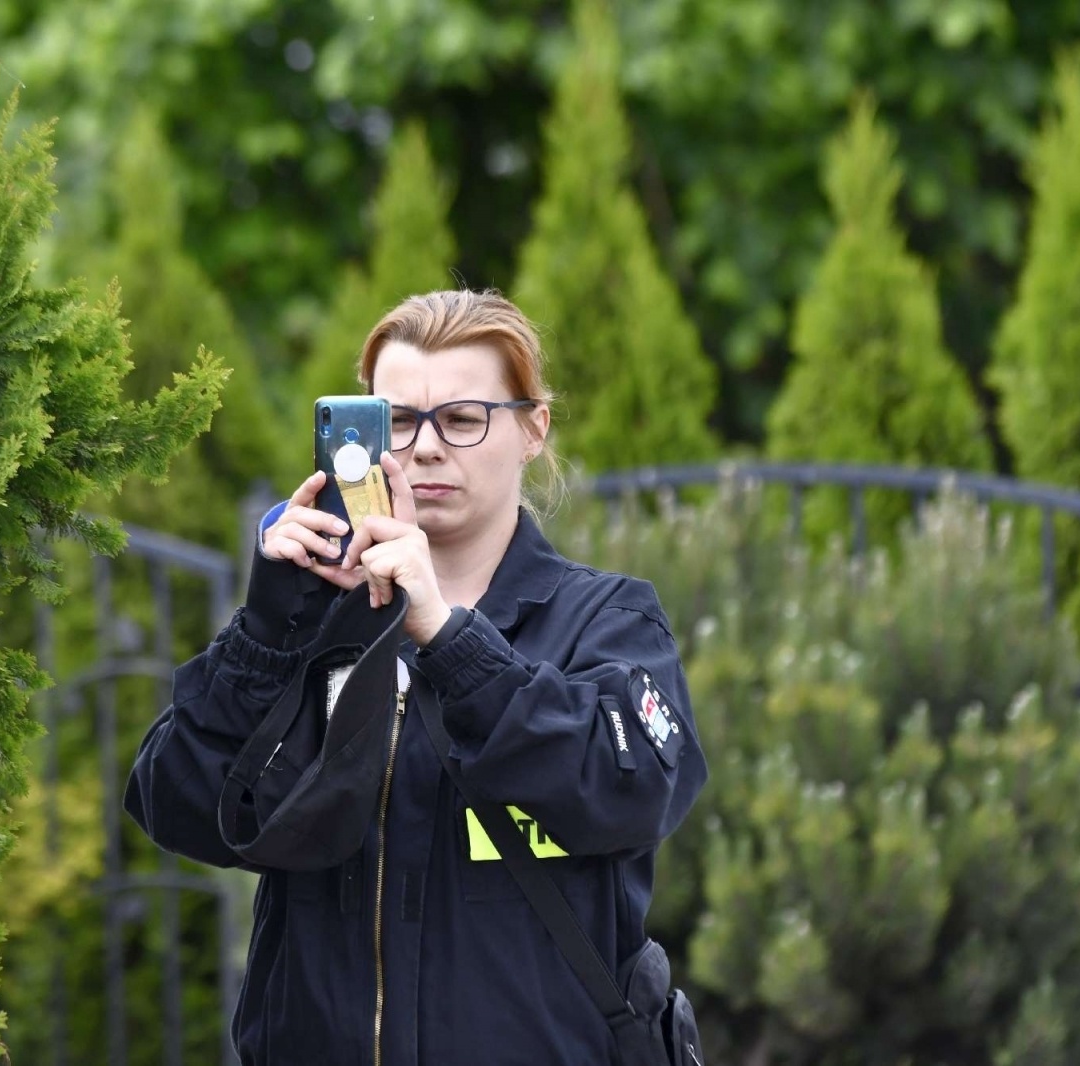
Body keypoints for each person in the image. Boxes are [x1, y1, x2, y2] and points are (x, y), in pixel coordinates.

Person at [124, 289, 707, 1065]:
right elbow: (175, 804)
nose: (426, 448)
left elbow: (633, 794)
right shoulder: (312, 627)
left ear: (533, 430)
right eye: (397, 421)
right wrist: (265, 631)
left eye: (464, 419)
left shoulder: (607, 621)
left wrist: (449, 638)